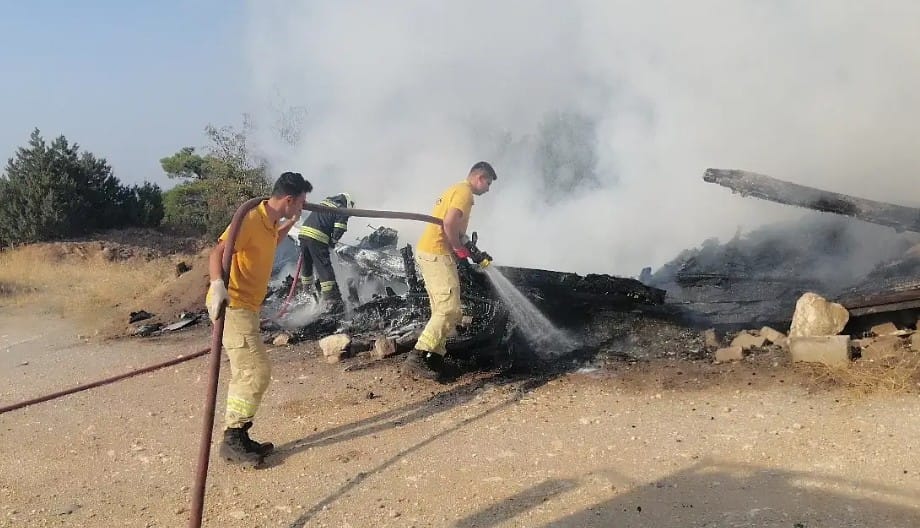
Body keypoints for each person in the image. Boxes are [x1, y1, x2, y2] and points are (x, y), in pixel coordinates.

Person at [205, 171, 312, 466]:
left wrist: (289, 224)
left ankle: (238, 435)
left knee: (248, 370)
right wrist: (217, 285)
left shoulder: (270, 222)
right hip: (234, 305)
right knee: (255, 370)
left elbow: (267, 244)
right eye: (301, 204)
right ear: (288, 199)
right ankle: (233, 438)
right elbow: (219, 252)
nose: (302, 208)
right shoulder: (250, 218)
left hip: (249, 307)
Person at [404, 162, 497, 381]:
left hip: (431, 251)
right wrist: (457, 248)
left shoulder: (456, 189)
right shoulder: (464, 192)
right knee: (449, 308)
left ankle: (433, 357)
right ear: (480, 177)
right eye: (489, 183)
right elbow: (449, 222)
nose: (488, 189)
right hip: (437, 253)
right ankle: (417, 356)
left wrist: (474, 251)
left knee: (445, 310)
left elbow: (455, 227)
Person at [297, 192, 355, 313]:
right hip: (317, 237)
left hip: (303, 233)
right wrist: (333, 241)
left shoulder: (325, 202)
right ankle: (331, 299)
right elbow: (340, 228)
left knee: (307, 266)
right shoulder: (342, 209)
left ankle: (306, 293)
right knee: (324, 266)